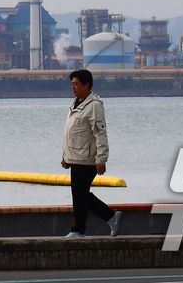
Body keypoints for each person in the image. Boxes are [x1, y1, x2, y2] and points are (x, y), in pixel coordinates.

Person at [60, 68, 121, 237]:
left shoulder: (94, 106)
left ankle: (81, 229)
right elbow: (71, 134)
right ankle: (109, 217)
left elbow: (100, 133)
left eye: (76, 84)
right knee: (79, 194)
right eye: (72, 84)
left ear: (86, 85)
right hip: (75, 158)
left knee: (80, 194)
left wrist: (101, 159)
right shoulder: (75, 104)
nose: (73, 87)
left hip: (88, 159)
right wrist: (65, 157)